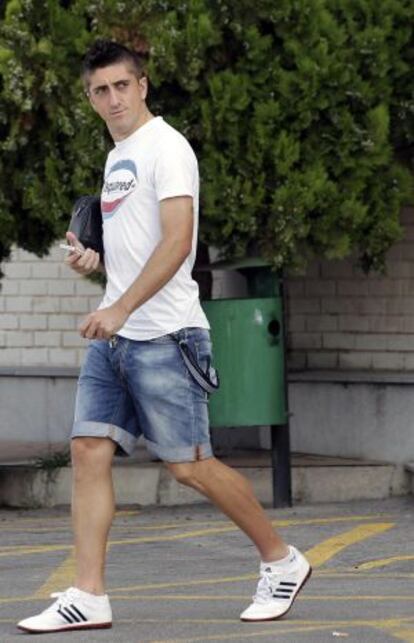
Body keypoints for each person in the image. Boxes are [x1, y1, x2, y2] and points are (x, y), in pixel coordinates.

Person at [18, 39, 311, 634]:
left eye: (121, 85)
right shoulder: (118, 156)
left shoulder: (167, 148)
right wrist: (94, 265)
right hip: (116, 337)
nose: (112, 98)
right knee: (87, 450)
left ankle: (282, 561)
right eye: (100, 90)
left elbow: (179, 243)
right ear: (91, 98)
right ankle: (89, 594)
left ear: (143, 85)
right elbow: (136, 249)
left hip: (167, 337)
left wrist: (121, 308)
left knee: (190, 466)